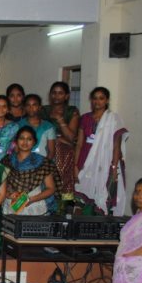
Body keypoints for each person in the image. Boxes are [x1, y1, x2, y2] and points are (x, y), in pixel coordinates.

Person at [74, 87, 129, 215]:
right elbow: (79, 144)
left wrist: (114, 167)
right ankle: (82, 221)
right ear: (91, 100)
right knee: (82, 193)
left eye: (101, 98)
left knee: (102, 191)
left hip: (105, 161)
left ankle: (98, 222)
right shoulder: (85, 118)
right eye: (95, 98)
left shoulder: (113, 119)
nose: (97, 101)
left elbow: (116, 146)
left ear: (107, 100)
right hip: (85, 159)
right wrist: (75, 165)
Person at [3, 126, 59, 215]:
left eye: (29, 139)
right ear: (16, 141)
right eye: (21, 138)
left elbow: (51, 188)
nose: (25, 142)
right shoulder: (7, 161)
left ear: (34, 142)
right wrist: (8, 194)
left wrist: (31, 199)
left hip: (35, 203)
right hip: (12, 203)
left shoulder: (43, 162)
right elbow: (1, 185)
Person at [41, 81, 80, 211]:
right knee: (46, 180)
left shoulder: (72, 111)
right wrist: (58, 138)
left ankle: (64, 210)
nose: (56, 96)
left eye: (60, 93)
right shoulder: (43, 110)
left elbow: (71, 137)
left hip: (64, 154)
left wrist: (60, 119)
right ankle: (47, 208)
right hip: (46, 150)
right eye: (54, 93)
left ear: (66, 96)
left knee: (64, 181)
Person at [113, 178, 142, 283]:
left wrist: (132, 254)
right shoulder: (138, 215)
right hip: (124, 271)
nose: (139, 197)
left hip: (141, 274)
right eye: (137, 192)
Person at [19, 94, 56, 159]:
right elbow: (16, 149)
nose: (31, 108)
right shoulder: (18, 125)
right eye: (28, 105)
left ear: (39, 107)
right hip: (22, 162)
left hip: (43, 162)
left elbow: (51, 152)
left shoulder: (48, 126)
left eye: (34, 105)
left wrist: (45, 164)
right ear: (24, 107)